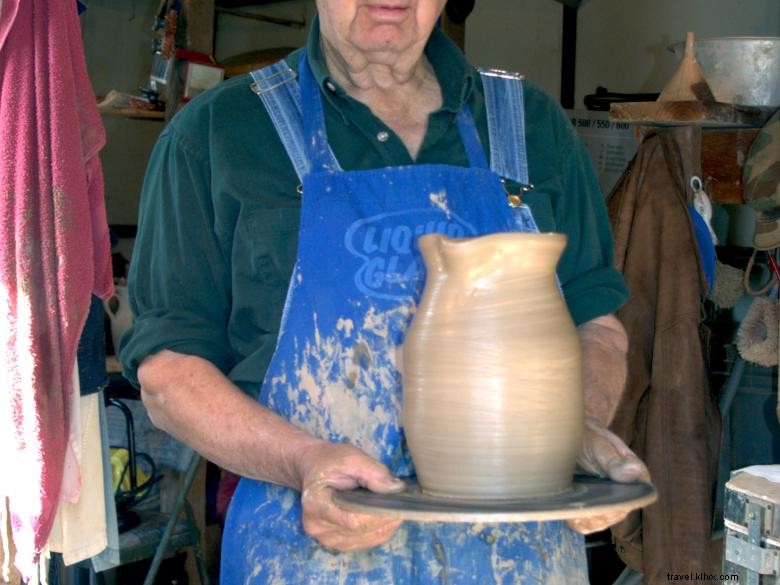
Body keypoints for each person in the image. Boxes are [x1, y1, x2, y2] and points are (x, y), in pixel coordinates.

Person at [120, 1, 650, 582]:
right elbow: (169, 373)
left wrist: (579, 430)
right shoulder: (219, 135)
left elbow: (594, 323)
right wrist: (303, 462)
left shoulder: (531, 125)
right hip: (306, 555)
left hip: (519, 558)